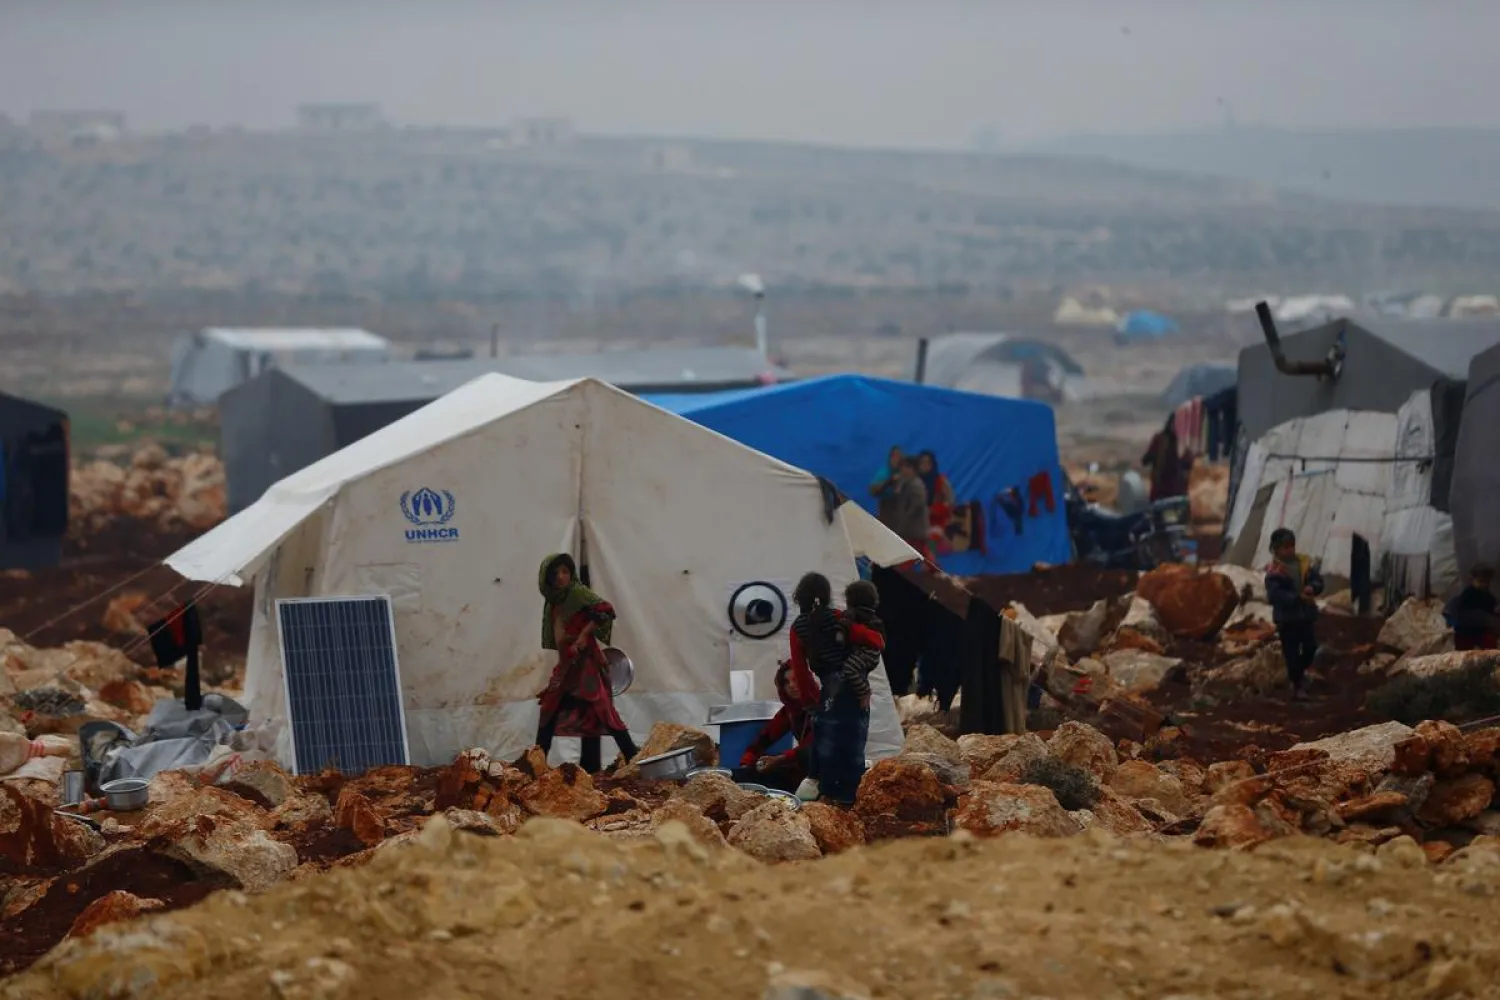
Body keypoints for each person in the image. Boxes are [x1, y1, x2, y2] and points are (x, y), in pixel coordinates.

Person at [533, 553, 640, 772]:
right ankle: (537, 763)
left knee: (602, 710)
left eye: (565, 571)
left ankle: (633, 757)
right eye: (556, 573)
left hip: (586, 664)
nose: (561, 577)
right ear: (548, 578)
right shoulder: (554, 600)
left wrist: (583, 635)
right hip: (566, 665)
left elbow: (605, 610)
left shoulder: (577, 592)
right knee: (549, 708)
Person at [815, 579, 885, 805]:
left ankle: (833, 790)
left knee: (834, 741)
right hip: (851, 686)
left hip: (838, 689)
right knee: (852, 742)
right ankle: (845, 793)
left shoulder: (848, 619)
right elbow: (878, 642)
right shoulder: (863, 620)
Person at [787, 571, 843, 801]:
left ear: (800, 598)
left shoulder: (798, 627)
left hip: (829, 686)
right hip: (852, 683)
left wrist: (811, 702)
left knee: (824, 739)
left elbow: (800, 670)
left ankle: (820, 791)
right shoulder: (840, 617)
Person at [735, 660, 818, 793]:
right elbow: (765, 737)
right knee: (745, 777)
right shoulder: (790, 711)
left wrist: (780, 759)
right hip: (802, 767)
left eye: (796, 680)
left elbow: (812, 745)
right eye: (786, 682)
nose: (791, 686)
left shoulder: (822, 707)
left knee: (808, 755)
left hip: (826, 770)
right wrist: (747, 761)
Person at [1265, 529, 1324, 700]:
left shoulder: (1305, 564)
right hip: (1287, 619)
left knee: (1310, 647)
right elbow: (1275, 595)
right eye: (1285, 547)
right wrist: (1296, 598)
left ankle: (1299, 673)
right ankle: (1297, 685)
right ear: (1276, 549)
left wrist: (1313, 587)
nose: (1290, 550)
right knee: (1291, 653)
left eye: (1292, 546)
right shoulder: (1274, 571)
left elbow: (1318, 581)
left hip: (1305, 616)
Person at [881, 456, 932, 558]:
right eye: (902, 467)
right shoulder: (904, 483)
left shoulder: (916, 486)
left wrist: (900, 528)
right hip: (905, 532)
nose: (903, 470)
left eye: (907, 467)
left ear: (914, 470)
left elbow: (915, 510)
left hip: (914, 532)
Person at [1445, 564, 1499, 651]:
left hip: (1481, 630)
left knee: (1489, 642)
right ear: (1473, 580)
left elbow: (1491, 613)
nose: (1484, 585)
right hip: (1466, 630)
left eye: (1486, 582)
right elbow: (1459, 612)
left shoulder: (1489, 598)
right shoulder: (1468, 594)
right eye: (1481, 581)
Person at [1142, 415, 1191, 501]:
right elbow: (1150, 455)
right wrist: (1147, 459)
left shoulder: (1183, 442)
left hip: (1176, 487)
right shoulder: (1160, 439)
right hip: (1160, 486)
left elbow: (1188, 462)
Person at [917, 450, 956, 539]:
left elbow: (951, 502)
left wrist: (934, 509)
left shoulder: (940, 481)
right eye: (922, 462)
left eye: (928, 462)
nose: (925, 465)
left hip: (937, 521)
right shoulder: (914, 481)